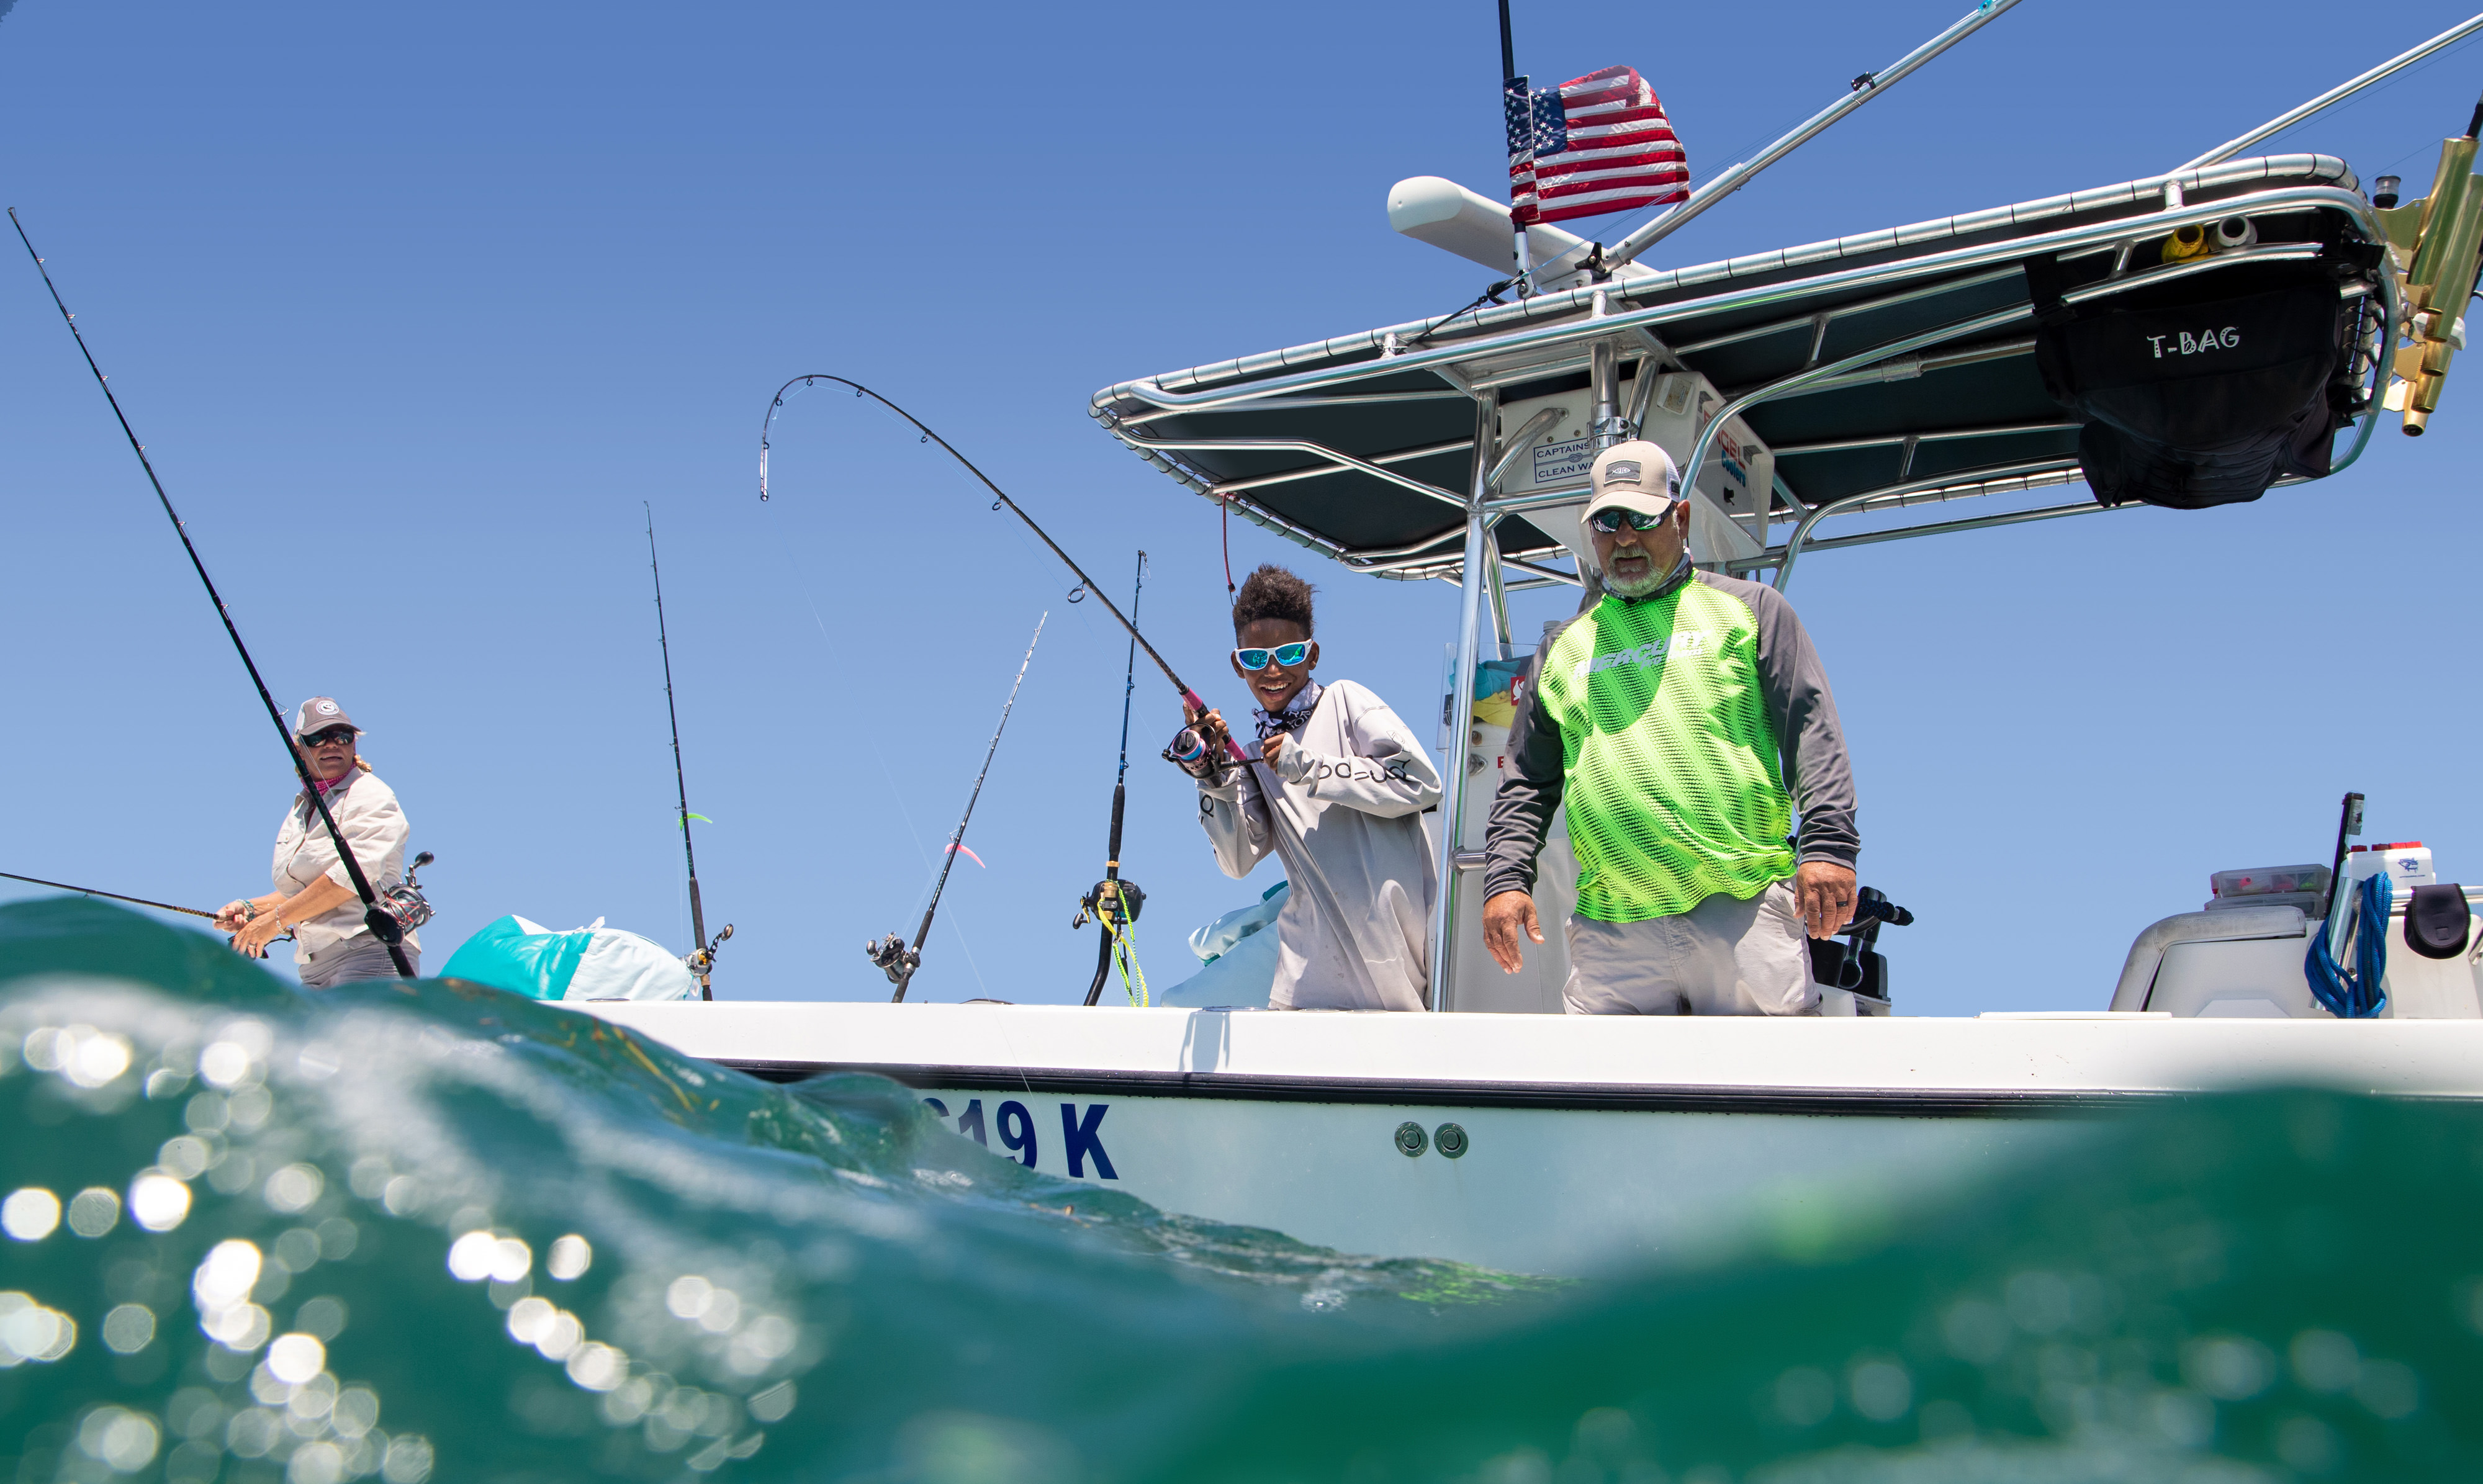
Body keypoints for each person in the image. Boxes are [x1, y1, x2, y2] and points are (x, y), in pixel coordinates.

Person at [1482, 442, 1859, 1015]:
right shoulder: (1561, 647)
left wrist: (1829, 847)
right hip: (1611, 925)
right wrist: (1505, 880)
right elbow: (1527, 784)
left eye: (1642, 518)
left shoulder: (1753, 608)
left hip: (1743, 903)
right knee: (1601, 1099)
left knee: (1768, 1095)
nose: (1625, 537)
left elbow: (1812, 734)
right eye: (1608, 521)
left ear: (1679, 518)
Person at [1179, 565, 1443, 1011]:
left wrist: (1310, 767)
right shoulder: (1252, 758)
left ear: (1313, 654)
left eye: (1288, 653)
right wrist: (1213, 771)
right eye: (1256, 659)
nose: (1273, 670)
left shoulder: (1345, 701)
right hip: (1304, 991)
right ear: (1238, 664)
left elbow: (1420, 783)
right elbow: (1237, 860)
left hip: (1395, 984)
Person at [214, 698, 421, 986]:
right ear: (299, 750)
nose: (331, 744)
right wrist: (251, 909)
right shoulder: (303, 807)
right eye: (317, 738)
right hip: (315, 966)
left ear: (353, 745)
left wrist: (273, 922)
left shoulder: (371, 794)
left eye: (342, 736)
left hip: (371, 950)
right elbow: (304, 889)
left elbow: (351, 876)